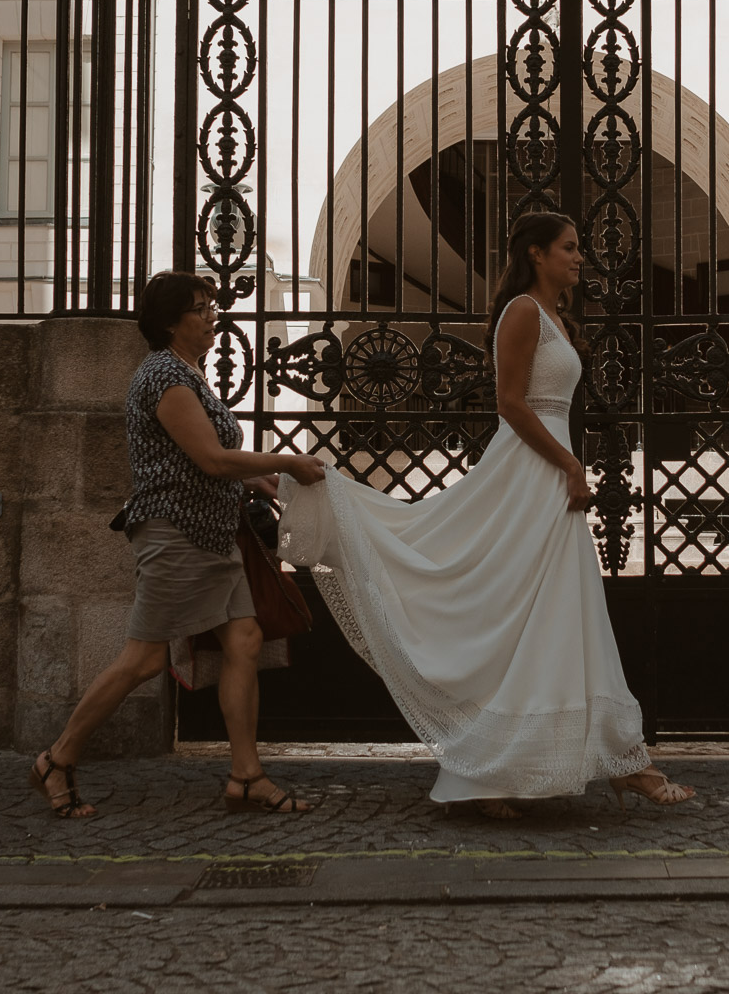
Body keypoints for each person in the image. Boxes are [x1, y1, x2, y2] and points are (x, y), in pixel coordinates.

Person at [278, 213, 696, 819]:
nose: (581, 258)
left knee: (562, 610)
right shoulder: (523, 311)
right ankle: (504, 770)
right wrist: (570, 466)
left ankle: (619, 760)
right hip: (532, 468)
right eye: (570, 248)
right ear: (536, 254)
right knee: (524, 609)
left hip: (548, 469)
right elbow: (509, 403)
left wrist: (567, 466)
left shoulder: (555, 315)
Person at [28, 271, 327, 818]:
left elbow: (209, 464)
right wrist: (285, 461)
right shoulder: (164, 377)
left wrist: (254, 479)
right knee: (142, 661)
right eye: (200, 308)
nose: (213, 315)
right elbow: (210, 458)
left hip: (213, 535)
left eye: (212, 305)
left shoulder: (189, 373)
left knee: (244, 640)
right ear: (170, 321)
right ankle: (58, 757)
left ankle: (245, 775)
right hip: (176, 535)